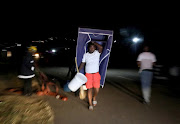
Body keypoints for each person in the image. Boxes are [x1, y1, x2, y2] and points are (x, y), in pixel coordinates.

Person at [79, 41, 103, 110]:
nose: (92, 48)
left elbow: (101, 47)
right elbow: (83, 63)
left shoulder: (97, 53)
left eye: (93, 47)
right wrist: (78, 70)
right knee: (89, 89)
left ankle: (94, 97)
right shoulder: (86, 55)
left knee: (97, 89)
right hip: (88, 74)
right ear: (89, 48)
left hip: (96, 74)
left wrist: (94, 42)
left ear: (95, 48)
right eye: (90, 47)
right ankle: (90, 104)